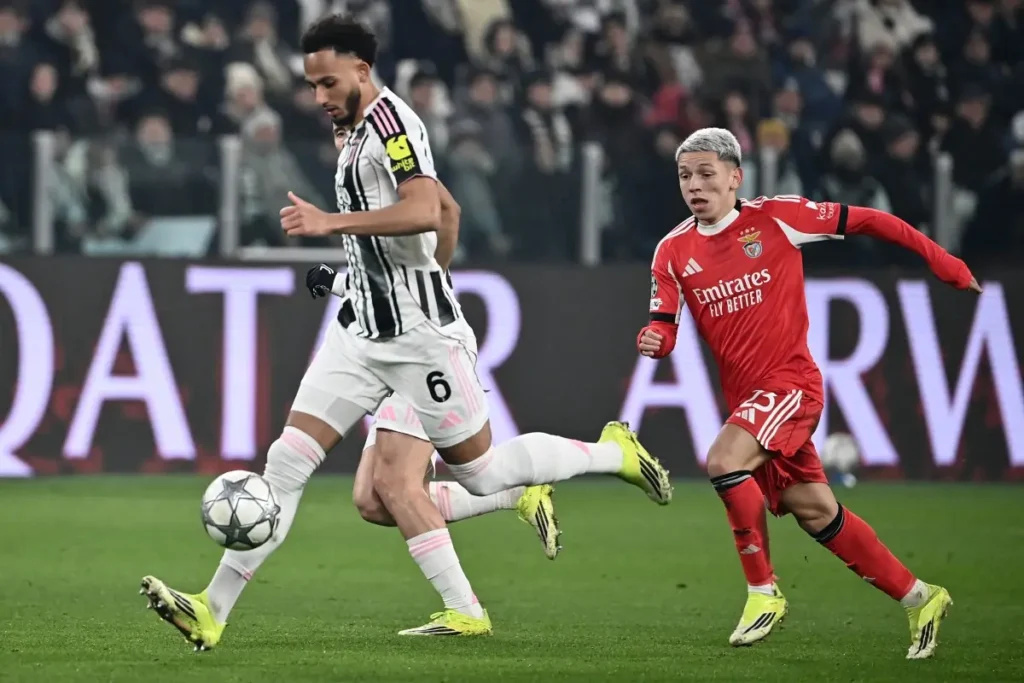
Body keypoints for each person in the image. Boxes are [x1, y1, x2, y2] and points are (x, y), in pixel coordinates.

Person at [140, 16, 671, 650]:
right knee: (288, 460)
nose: (318, 96)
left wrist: (340, 231)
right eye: (311, 85)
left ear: (362, 71)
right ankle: (212, 610)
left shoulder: (394, 126)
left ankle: (613, 453)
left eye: (328, 83)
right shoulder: (348, 127)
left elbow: (425, 207)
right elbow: (448, 211)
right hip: (360, 332)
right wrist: (373, 278)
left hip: (420, 340)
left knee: (480, 474)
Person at [638, 127, 978, 659]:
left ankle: (763, 591)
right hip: (750, 401)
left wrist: (943, 261)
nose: (695, 186)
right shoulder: (672, 251)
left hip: (791, 384)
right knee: (815, 510)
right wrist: (656, 340)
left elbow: (870, 219)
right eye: (685, 176)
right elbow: (664, 325)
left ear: (735, 177)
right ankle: (920, 597)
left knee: (724, 459)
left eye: (706, 174)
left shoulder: (777, 218)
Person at [312, 124, 563, 635]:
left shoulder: (395, 170)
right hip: (394, 352)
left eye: (346, 128)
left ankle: (465, 610)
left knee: (396, 485)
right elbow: (383, 283)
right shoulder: (360, 180)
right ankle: (516, 494)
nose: (341, 137)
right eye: (336, 131)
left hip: (421, 351)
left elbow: (447, 213)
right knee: (371, 502)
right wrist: (341, 284)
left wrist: (431, 286)